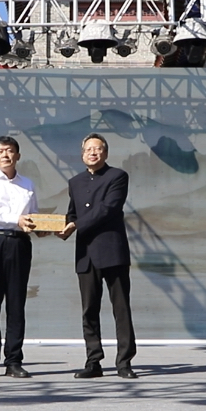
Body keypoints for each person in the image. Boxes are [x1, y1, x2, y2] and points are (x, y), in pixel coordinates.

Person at [57, 133, 138, 379]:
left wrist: (76, 225)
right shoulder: (75, 182)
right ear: (82, 154)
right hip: (86, 254)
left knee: (121, 309)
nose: (93, 152)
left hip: (112, 251)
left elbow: (108, 208)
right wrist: (58, 227)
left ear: (106, 153)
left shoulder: (118, 176)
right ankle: (93, 361)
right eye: (88, 149)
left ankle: (124, 362)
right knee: (89, 310)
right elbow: (72, 213)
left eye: (98, 148)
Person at [0, 136, 42, 378]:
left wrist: (41, 227)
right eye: (0, 151)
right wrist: (17, 219)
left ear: (18, 156)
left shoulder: (28, 183)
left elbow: (33, 214)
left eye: (10, 151)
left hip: (19, 244)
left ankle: (14, 360)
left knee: (16, 303)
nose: (5, 155)